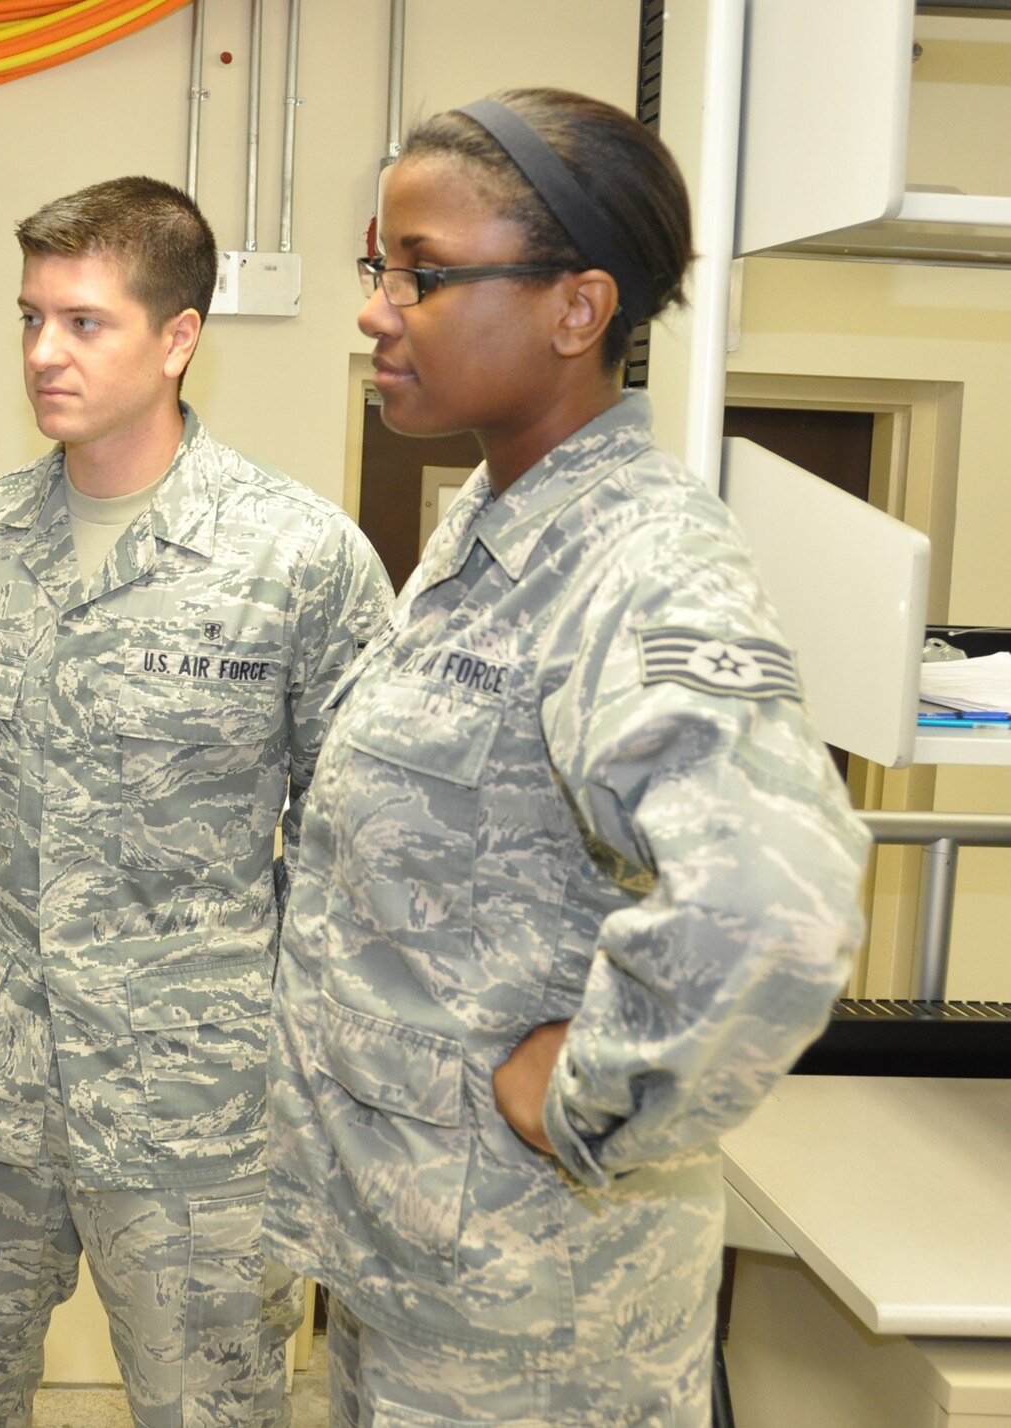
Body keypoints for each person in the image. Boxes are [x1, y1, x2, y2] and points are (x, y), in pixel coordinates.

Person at [265, 89, 871, 1426]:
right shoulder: (495, 523)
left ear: (576, 309)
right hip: (417, 1276)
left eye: (420, 273)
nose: (376, 307)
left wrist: (591, 1094)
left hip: (533, 1330)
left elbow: (778, 907)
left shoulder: (637, 563)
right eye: (380, 267)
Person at [0, 175, 393, 1427]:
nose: (41, 353)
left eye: (83, 322)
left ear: (177, 338)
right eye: (28, 318)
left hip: (197, 1106)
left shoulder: (296, 555)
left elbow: (359, 851)